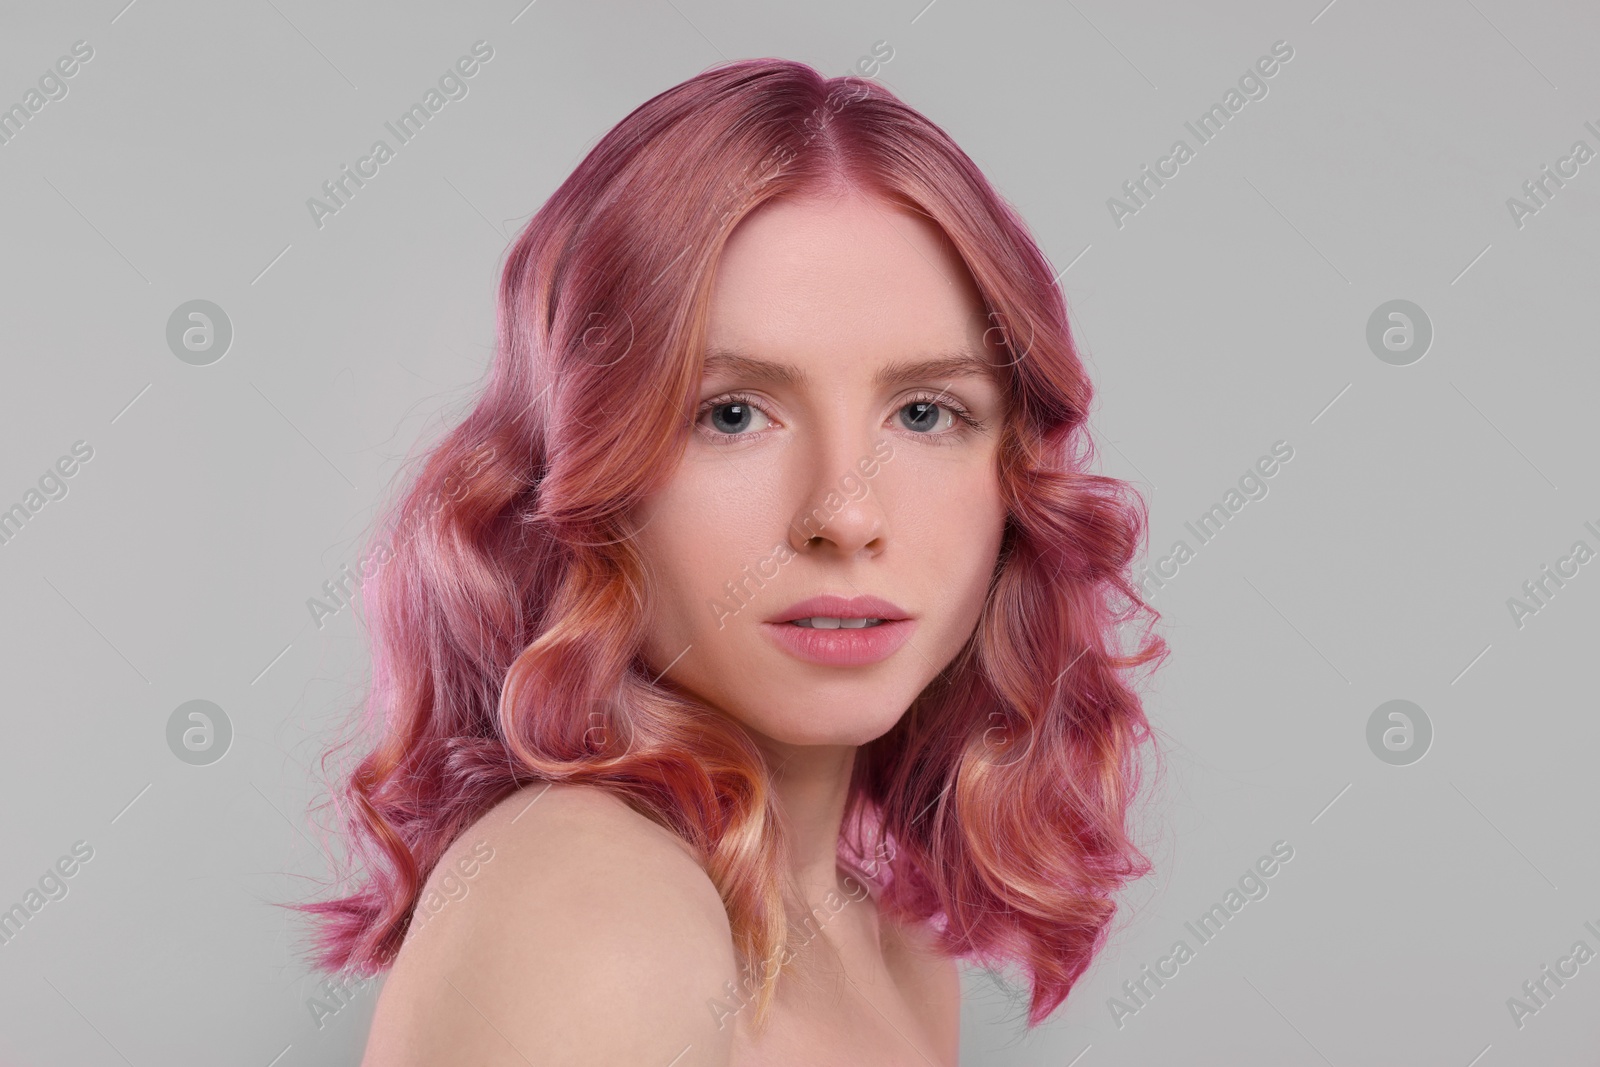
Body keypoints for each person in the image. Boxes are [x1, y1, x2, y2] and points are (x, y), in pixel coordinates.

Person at [297, 57, 1166, 1066]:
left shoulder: (889, 951)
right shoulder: (584, 905)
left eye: (926, 412)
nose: (844, 512)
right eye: (731, 413)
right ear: (584, 472)